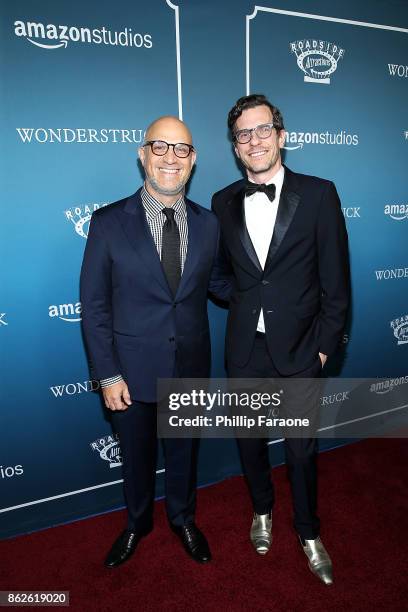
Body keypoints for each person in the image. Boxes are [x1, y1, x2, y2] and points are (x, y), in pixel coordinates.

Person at [80, 115, 230, 568]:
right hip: (129, 372)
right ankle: (137, 523)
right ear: (142, 154)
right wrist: (107, 373)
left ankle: (183, 518)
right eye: (159, 147)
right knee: (137, 460)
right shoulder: (108, 223)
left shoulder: (209, 224)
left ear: (193, 160)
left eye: (181, 149)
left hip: (189, 365)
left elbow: (221, 285)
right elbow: (95, 306)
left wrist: (273, 290)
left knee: (184, 452)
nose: (170, 157)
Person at [212, 94, 349, 585]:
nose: (254, 140)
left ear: (281, 136)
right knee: (250, 442)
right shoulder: (222, 201)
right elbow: (219, 274)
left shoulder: (319, 194)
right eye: (243, 134)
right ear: (235, 146)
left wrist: (324, 345)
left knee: (301, 451)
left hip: (301, 351)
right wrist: (247, 301)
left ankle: (309, 531)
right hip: (245, 349)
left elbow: (337, 281)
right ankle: (262, 511)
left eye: (262, 129)